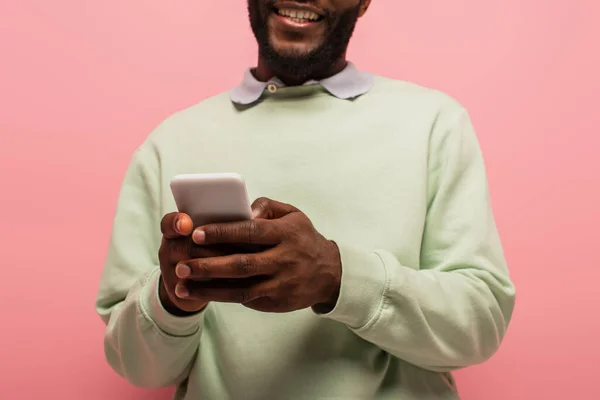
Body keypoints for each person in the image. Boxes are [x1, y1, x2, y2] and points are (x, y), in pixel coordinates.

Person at [96, 0, 516, 398]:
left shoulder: (434, 125)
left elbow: (480, 326)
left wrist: (338, 277)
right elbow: (140, 369)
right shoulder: (167, 143)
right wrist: (172, 300)